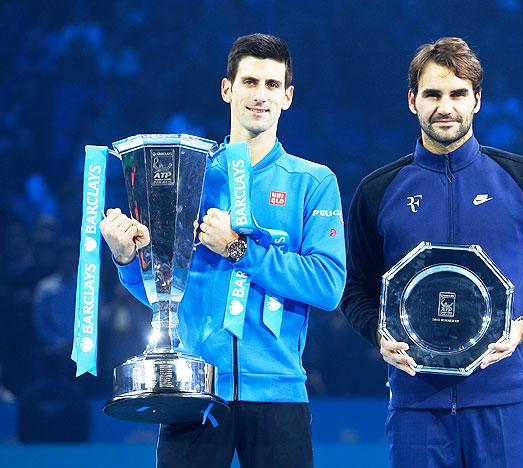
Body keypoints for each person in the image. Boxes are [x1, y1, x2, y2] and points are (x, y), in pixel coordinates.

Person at [100, 33, 346, 468]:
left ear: (288, 97)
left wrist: (238, 249)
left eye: (272, 85)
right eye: (250, 82)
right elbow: (165, 293)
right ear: (227, 88)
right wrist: (125, 262)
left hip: (278, 391)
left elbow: (328, 287)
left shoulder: (313, 181)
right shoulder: (190, 174)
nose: (260, 96)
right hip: (196, 390)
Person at [341, 37, 523, 468]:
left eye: (458, 94)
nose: (445, 106)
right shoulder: (379, 191)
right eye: (433, 94)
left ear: (477, 100)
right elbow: (354, 288)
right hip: (416, 406)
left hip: (505, 404)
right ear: (412, 100)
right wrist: (379, 335)